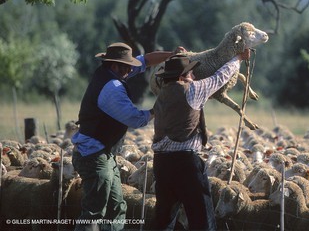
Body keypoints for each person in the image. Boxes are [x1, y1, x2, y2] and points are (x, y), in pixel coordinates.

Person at [71, 42, 180, 231]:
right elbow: (136, 119)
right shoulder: (112, 88)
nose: (131, 70)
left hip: (102, 153)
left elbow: (145, 60)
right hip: (94, 155)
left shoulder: (110, 73)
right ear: (115, 66)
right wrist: (159, 107)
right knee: (94, 213)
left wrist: (172, 55)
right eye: (128, 67)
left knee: (116, 207)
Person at [151, 48, 251, 230]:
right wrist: (238, 58)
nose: (194, 76)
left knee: (163, 218)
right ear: (182, 77)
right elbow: (220, 77)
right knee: (201, 218)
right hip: (185, 163)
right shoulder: (194, 90)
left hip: (161, 163)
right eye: (190, 73)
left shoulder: (162, 94)